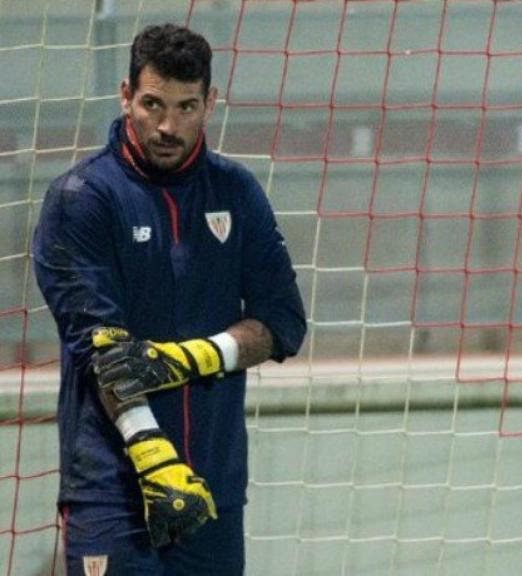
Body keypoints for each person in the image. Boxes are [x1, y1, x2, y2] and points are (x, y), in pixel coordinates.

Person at [33, 23, 306, 575]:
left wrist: (193, 356)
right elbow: (104, 352)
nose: (166, 125)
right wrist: (154, 458)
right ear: (126, 95)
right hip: (112, 492)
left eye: (185, 108)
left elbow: (284, 320)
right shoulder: (81, 198)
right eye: (152, 104)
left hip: (214, 488)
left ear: (210, 103)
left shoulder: (237, 191)